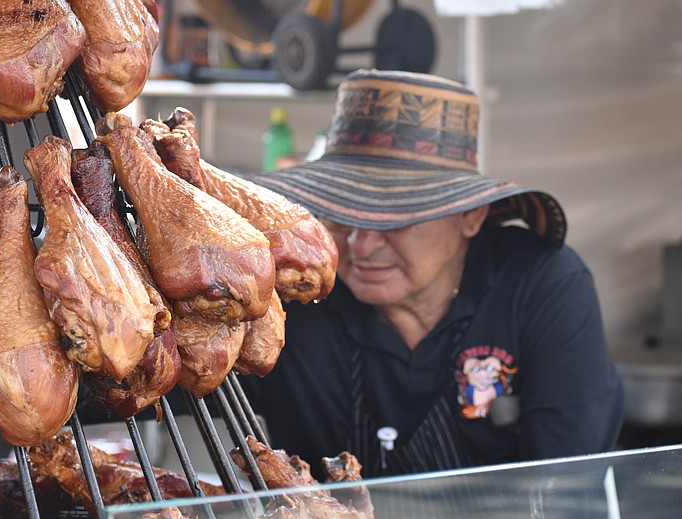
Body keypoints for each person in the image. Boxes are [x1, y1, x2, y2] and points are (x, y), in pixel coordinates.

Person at [240, 69, 625, 480]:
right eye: (341, 214)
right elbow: (180, 389)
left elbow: (567, 485)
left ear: (471, 216)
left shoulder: (542, 285)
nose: (361, 244)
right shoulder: (292, 295)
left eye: (393, 217)